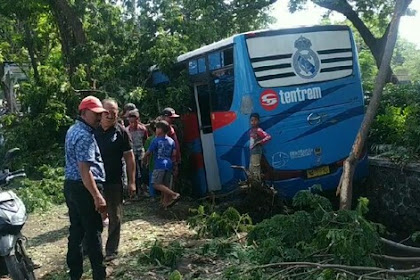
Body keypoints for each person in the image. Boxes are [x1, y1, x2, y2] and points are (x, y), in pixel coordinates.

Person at [64, 96, 108, 280]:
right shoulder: (84, 136)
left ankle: (75, 273)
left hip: (71, 186)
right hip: (85, 188)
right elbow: (85, 171)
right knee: (93, 232)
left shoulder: (73, 129)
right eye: (95, 114)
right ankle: (99, 274)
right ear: (83, 113)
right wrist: (97, 196)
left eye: (100, 114)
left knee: (76, 230)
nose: (98, 118)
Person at [94, 99, 136, 262]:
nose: (111, 115)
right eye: (107, 111)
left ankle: (111, 250)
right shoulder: (92, 129)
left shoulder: (121, 132)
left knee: (115, 216)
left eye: (115, 111)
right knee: (92, 216)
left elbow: (130, 158)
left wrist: (132, 181)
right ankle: (90, 248)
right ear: (100, 111)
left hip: (114, 180)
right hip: (94, 181)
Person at [142, 120, 180, 208]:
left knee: (155, 184)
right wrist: (175, 165)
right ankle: (165, 204)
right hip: (169, 164)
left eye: (157, 128)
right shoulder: (171, 141)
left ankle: (174, 194)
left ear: (160, 130)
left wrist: (144, 160)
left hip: (159, 164)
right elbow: (174, 154)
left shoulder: (156, 140)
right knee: (165, 185)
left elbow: (148, 152)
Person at [126, 109, 148, 197]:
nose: (133, 124)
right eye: (131, 122)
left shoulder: (143, 129)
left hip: (140, 151)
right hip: (132, 152)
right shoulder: (127, 131)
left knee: (143, 170)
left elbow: (145, 140)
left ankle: (144, 189)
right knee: (133, 172)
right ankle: (135, 190)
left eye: (134, 122)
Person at [161, 107, 181, 186]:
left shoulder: (170, 128)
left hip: (173, 158)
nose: (173, 120)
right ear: (164, 117)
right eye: (170, 118)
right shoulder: (163, 130)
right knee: (168, 182)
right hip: (169, 159)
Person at [249, 113, 271, 180]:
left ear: (258, 121)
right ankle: (254, 182)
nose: (253, 122)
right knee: (251, 168)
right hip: (252, 152)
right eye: (252, 120)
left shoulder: (259, 130)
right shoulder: (251, 131)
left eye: (255, 120)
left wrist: (260, 142)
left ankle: (257, 183)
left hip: (257, 152)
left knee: (256, 168)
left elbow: (268, 137)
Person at [144, 120, 157, 198]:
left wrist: (146, 162)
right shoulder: (164, 138)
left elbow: (148, 153)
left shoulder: (149, 140)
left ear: (150, 129)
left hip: (152, 163)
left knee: (152, 180)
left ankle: (153, 195)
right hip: (162, 164)